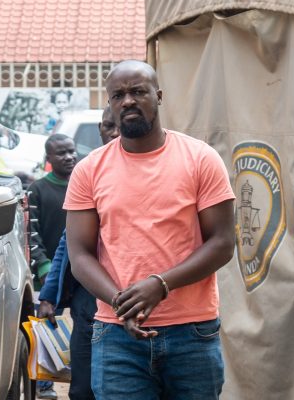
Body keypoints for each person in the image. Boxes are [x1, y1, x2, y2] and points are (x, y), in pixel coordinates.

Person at [65, 60, 236, 399]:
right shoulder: (89, 170)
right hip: (117, 336)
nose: (128, 101)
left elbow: (222, 243)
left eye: (138, 92)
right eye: (118, 95)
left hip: (192, 333)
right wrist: (121, 304)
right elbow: (80, 255)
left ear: (158, 96)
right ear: (110, 104)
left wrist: (160, 285)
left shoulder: (200, 159)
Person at [37, 106, 119, 400]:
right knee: (83, 386)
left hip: (135, 299)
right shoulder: (88, 173)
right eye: (109, 126)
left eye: (120, 126)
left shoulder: (156, 170)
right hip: (89, 300)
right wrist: (49, 294)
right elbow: (68, 243)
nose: (115, 133)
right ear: (100, 130)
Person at [28, 133, 77, 400]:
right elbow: (32, 232)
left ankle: (79, 377)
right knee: (47, 326)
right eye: (61, 153)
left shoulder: (83, 183)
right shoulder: (38, 189)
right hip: (48, 274)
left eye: (71, 151)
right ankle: (45, 385)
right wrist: (45, 267)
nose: (69, 157)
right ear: (49, 158)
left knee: (83, 327)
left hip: (79, 272)